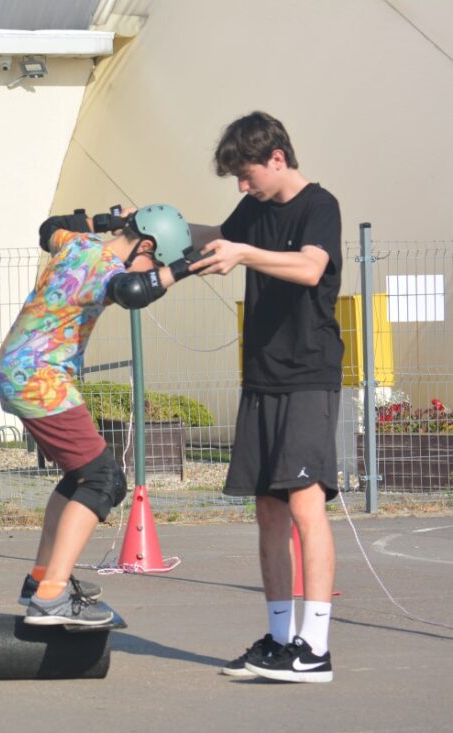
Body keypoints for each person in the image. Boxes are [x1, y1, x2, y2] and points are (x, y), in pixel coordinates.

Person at [0, 204, 197, 627]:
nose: (149, 269)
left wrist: (103, 221)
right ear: (146, 245)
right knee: (106, 479)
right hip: (39, 379)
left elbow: (49, 226)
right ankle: (51, 597)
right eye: (153, 261)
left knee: (81, 477)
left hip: (20, 371)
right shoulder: (106, 267)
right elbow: (132, 291)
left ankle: (41, 579)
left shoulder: (77, 243)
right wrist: (187, 267)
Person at [191, 111, 341, 683]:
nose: (242, 186)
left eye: (246, 174)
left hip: (307, 374)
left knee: (305, 503)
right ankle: (281, 642)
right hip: (261, 375)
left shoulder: (319, 206)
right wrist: (155, 226)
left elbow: (309, 267)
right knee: (268, 510)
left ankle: (316, 649)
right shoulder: (254, 209)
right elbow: (219, 239)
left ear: (277, 158)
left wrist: (244, 255)